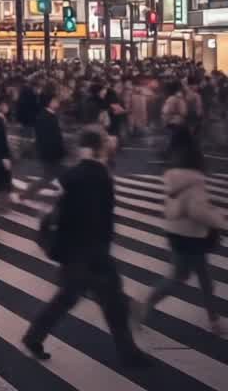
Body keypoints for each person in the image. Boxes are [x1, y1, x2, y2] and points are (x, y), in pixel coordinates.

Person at [22, 130, 149, 367]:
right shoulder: (102, 175)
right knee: (111, 304)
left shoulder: (70, 175)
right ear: (98, 147)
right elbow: (104, 216)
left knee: (70, 299)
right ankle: (129, 353)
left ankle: (33, 337)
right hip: (94, 251)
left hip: (74, 251)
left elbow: (60, 212)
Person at [135, 130, 227, 333]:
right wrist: (219, 220)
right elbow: (197, 210)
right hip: (192, 235)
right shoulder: (194, 179)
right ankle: (145, 304)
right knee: (180, 277)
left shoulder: (172, 175)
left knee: (201, 277)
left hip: (176, 232)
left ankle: (214, 319)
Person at [19, 91, 66, 205]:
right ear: (48, 103)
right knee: (48, 177)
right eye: (54, 100)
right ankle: (25, 194)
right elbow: (46, 139)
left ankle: (26, 194)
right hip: (50, 154)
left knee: (57, 175)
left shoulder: (50, 115)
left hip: (52, 153)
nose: (57, 102)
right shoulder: (44, 117)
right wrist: (56, 152)